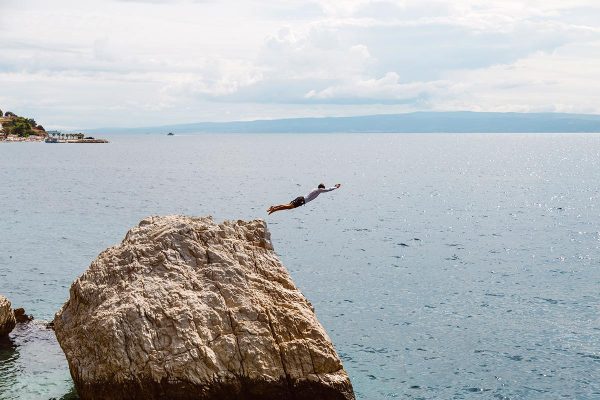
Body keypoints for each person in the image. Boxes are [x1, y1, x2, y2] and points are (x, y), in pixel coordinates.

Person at [267, 183, 341, 215]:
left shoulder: (315, 189)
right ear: (321, 188)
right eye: (322, 189)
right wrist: (336, 187)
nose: (323, 191)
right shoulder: (319, 190)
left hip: (300, 198)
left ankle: (274, 207)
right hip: (302, 200)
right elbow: (328, 189)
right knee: (289, 207)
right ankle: (274, 209)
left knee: (288, 205)